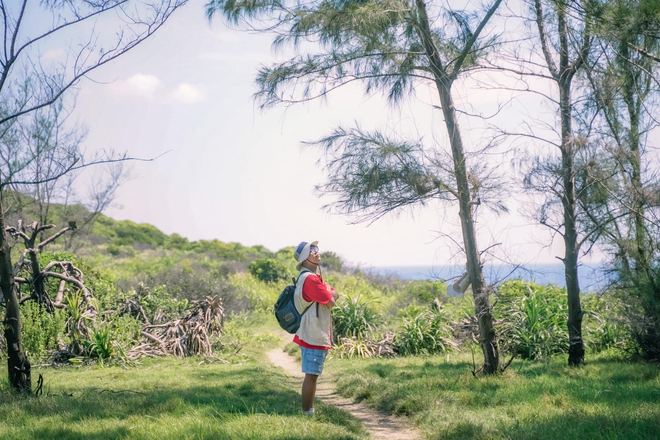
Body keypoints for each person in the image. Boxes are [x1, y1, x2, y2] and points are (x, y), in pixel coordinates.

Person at [292, 240, 338, 416]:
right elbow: (332, 300)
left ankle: (308, 411)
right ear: (305, 257)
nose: (317, 252)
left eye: (316, 249)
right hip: (313, 333)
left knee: (312, 374)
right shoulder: (311, 279)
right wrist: (328, 291)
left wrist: (328, 291)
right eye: (312, 250)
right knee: (311, 375)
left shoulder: (311, 277)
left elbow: (335, 294)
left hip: (311, 331)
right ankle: (307, 413)